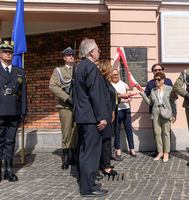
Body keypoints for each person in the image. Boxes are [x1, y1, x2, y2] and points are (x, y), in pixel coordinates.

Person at [0, 41, 27, 187]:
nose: (8, 54)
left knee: (10, 141)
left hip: (14, 110)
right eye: (4, 52)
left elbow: (24, 94)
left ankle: (9, 170)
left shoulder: (19, 71)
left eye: (10, 52)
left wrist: (23, 111)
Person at [73, 38, 108, 197]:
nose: (99, 53)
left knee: (84, 150)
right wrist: (102, 116)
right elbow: (95, 94)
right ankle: (88, 187)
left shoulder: (80, 66)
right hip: (91, 117)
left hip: (83, 116)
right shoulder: (91, 68)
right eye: (98, 50)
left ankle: (87, 180)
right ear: (91, 51)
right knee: (91, 152)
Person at [49, 47, 78, 170]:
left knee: (76, 131)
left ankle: (75, 156)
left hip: (77, 105)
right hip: (65, 105)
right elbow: (53, 86)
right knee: (66, 131)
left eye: (72, 55)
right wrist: (67, 98)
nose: (71, 57)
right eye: (68, 56)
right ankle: (66, 158)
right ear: (64, 58)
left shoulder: (78, 70)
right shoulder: (59, 71)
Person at [140, 72, 176, 162]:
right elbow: (150, 103)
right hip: (156, 111)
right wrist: (143, 95)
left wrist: (174, 114)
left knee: (166, 133)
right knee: (157, 132)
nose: (157, 81)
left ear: (163, 80)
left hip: (166, 111)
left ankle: (166, 152)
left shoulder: (169, 89)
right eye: (155, 79)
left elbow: (173, 103)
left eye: (159, 79)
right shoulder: (153, 90)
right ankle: (160, 152)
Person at [111, 69, 137, 159]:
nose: (115, 76)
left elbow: (130, 88)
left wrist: (130, 78)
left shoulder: (121, 82)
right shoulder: (110, 84)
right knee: (117, 130)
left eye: (117, 74)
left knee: (129, 129)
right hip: (117, 109)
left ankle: (132, 148)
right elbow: (112, 96)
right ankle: (118, 149)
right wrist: (122, 96)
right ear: (110, 75)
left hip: (126, 108)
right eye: (114, 74)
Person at [98, 60, 118, 176]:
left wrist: (113, 112)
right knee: (105, 143)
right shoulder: (101, 82)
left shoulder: (106, 81)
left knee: (106, 142)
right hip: (104, 116)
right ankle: (106, 167)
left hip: (108, 115)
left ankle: (105, 164)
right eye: (110, 68)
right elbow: (102, 100)